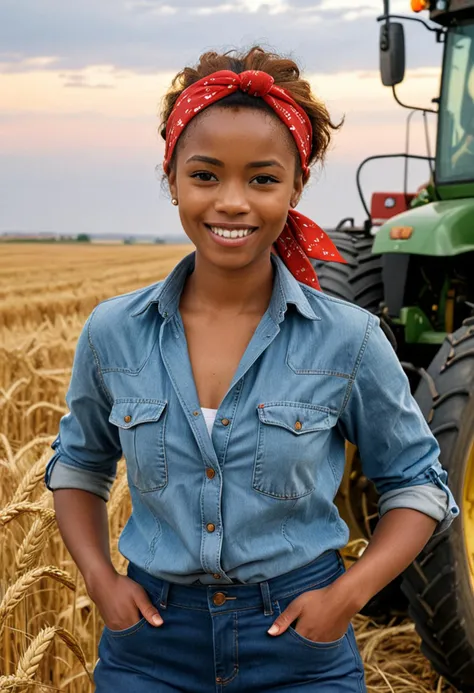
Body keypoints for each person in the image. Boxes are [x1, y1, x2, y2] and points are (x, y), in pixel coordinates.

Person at [45, 46, 459, 692]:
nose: (232, 201)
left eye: (262, 179)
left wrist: (346, 596)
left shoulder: (348, 340)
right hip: (150, 648)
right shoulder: (114, 333)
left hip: (300, 645)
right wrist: (101, 580)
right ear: (172, 177)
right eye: (206, 175)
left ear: (296, 186)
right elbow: (77, 465)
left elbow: (419, 483)